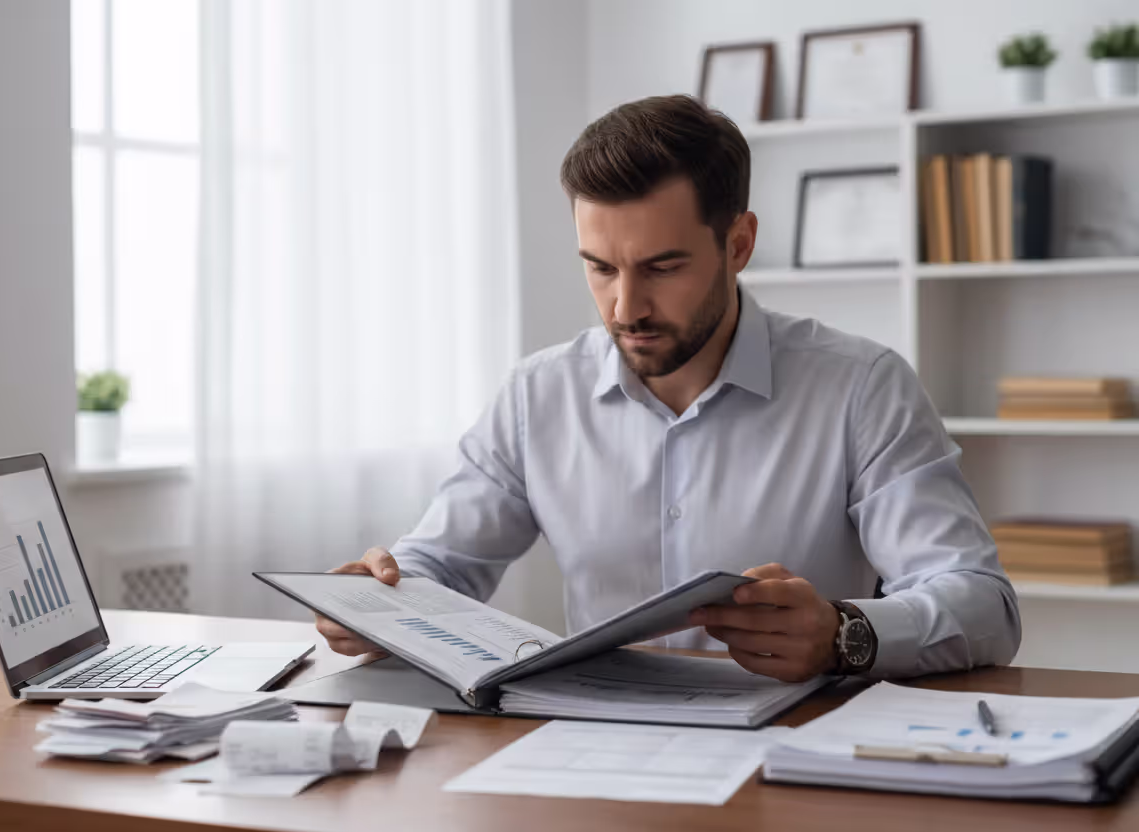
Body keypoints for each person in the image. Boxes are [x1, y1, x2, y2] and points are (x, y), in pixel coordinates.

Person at [318, 94, 1021, 682]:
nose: (626, 308)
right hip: (592, 749)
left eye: (661, 267)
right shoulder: (538, 395)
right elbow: (441, 562)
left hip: (796, 757)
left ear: (738, 245)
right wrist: (381, 603)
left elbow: (984, 606)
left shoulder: (862, 388)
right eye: (600, 268)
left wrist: (844, 632)